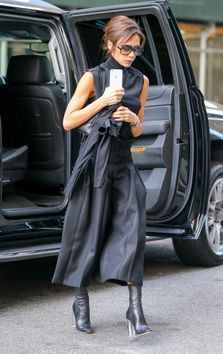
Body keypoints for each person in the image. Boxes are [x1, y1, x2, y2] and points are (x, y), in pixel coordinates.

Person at [52, 15, 151, 338]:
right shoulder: (92, 77)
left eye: (136, 49)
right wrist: (103, 103)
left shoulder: (142, 81)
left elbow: (138, 130)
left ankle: (135, 307)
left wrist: (132, 116)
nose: (131, 54)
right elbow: (68, 121)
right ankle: (80, 302)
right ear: (109, 45)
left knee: (133, 232)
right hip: (94, 162)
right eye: (125, 48)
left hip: (123, 164)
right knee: (86, 233)